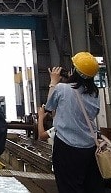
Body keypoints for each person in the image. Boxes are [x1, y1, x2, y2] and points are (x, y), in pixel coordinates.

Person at [44, 52, 103, 193]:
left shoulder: (61, 89)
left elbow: (49, 106)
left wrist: (53, 81)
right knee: (88, 186)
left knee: (68, 187)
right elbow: (93, 114)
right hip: (89, 147)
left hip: (66, 147)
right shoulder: (94, 93)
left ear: (74, 71)